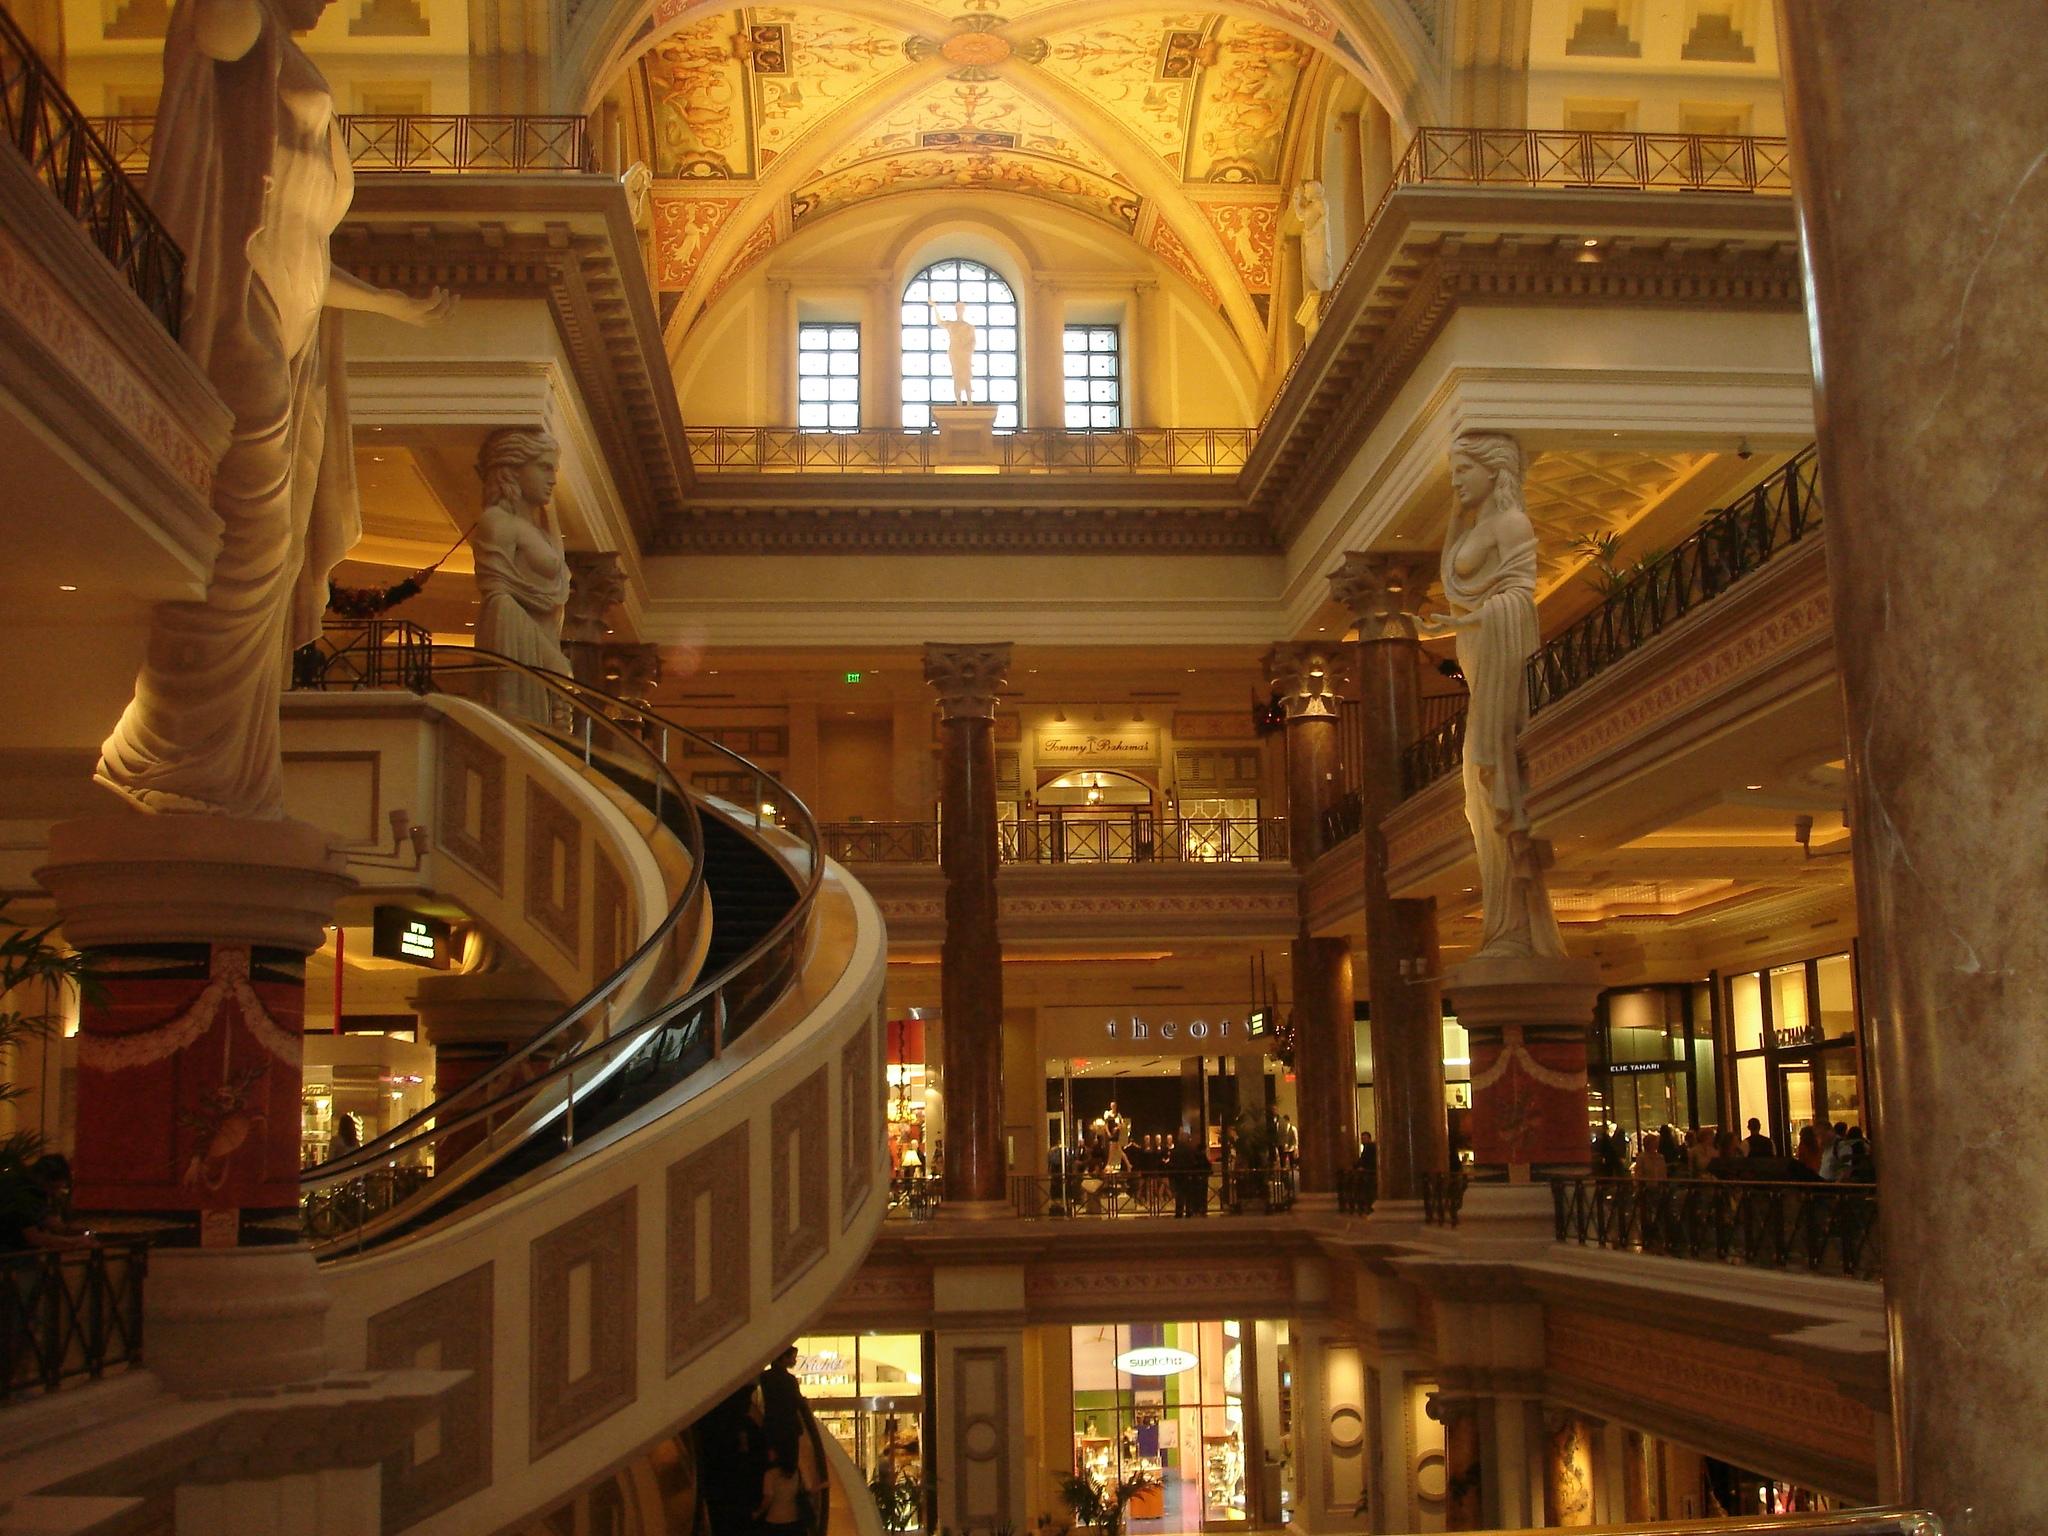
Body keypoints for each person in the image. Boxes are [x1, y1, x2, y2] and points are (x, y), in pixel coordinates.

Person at [94, 0, 451, 816]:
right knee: (246, 540)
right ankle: (169, 753)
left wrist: (397, 307)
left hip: (289, 336)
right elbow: (213, 38)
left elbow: (308, 250)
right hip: (235, 312)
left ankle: (222, 762)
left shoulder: (289, 54)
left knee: (273, 546)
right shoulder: (244, 24)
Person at [1415, 432, 1567, 959]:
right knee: (1473, 791)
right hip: (1475, 646)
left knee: (1491, 766)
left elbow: (1519, 600)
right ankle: (1503, 918)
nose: (1456, 480)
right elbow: (1473, 589)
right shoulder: (1474, 524)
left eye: (1464, 470)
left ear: (1494, 471)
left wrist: (1472, 617)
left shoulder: (1511, 523)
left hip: (1499, 646)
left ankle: (1518, 923)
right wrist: (1450, 623)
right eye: (1454, 469)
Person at [473, 427, 573, 727]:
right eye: (544, 467)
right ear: (514, 469)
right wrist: (550, 658)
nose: (553, 478)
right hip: (518, 638)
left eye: (553, 469)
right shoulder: (497, 522)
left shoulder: (541, 531)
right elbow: (498, 597)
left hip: (546, 639)